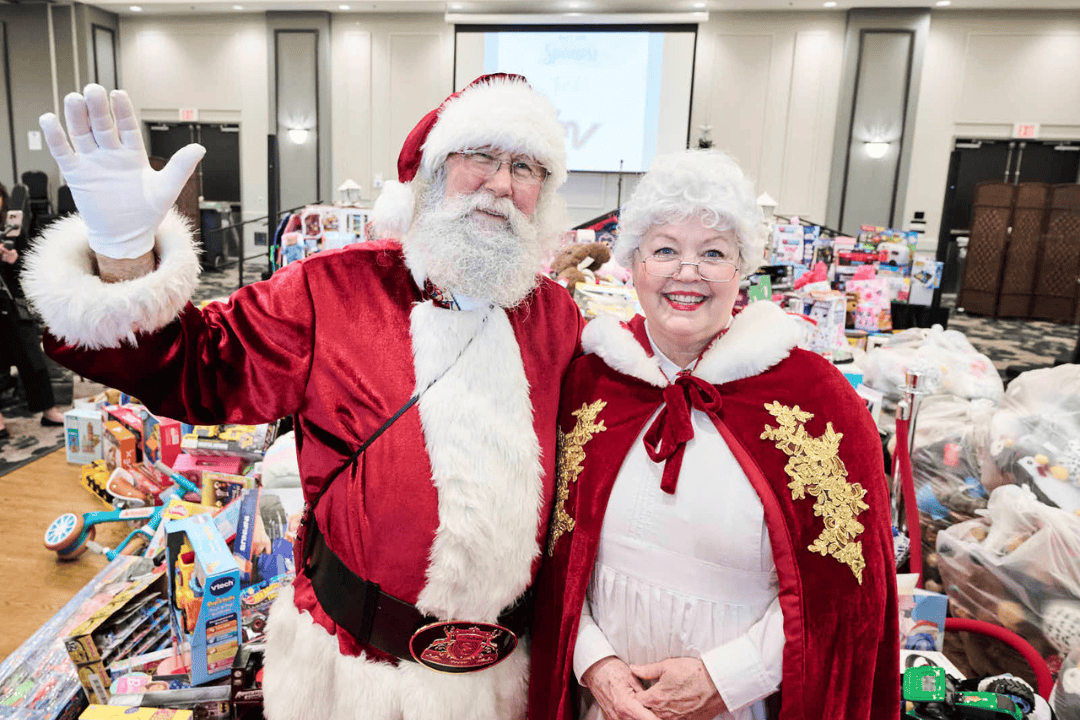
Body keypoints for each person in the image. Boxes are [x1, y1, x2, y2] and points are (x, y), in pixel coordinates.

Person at [23, 76, 582, 720]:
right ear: (431, 172)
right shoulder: (333, 290)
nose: (501, 184)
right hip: (350, 677)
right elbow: (198, 368)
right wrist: (123, 256)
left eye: (525, 166)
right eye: (479, 156)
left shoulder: (558, 320)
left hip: (503, 685)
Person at [529, 150, 900, 720]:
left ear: (741, 269)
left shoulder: (815, 399)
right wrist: (594, 664)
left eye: (713, 253)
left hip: (740, 707)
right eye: (665, 250)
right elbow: (554, 560)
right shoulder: (590, 384)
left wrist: (727, 679)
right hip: (602, 705)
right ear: (633, 264)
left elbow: (847, 591)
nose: (687, 272)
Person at [0, 180, 66, 440]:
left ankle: (48, 409)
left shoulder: (13, 226)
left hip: (13, 301)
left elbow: (28, 266)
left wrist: (12, 260)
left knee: (32, 356)